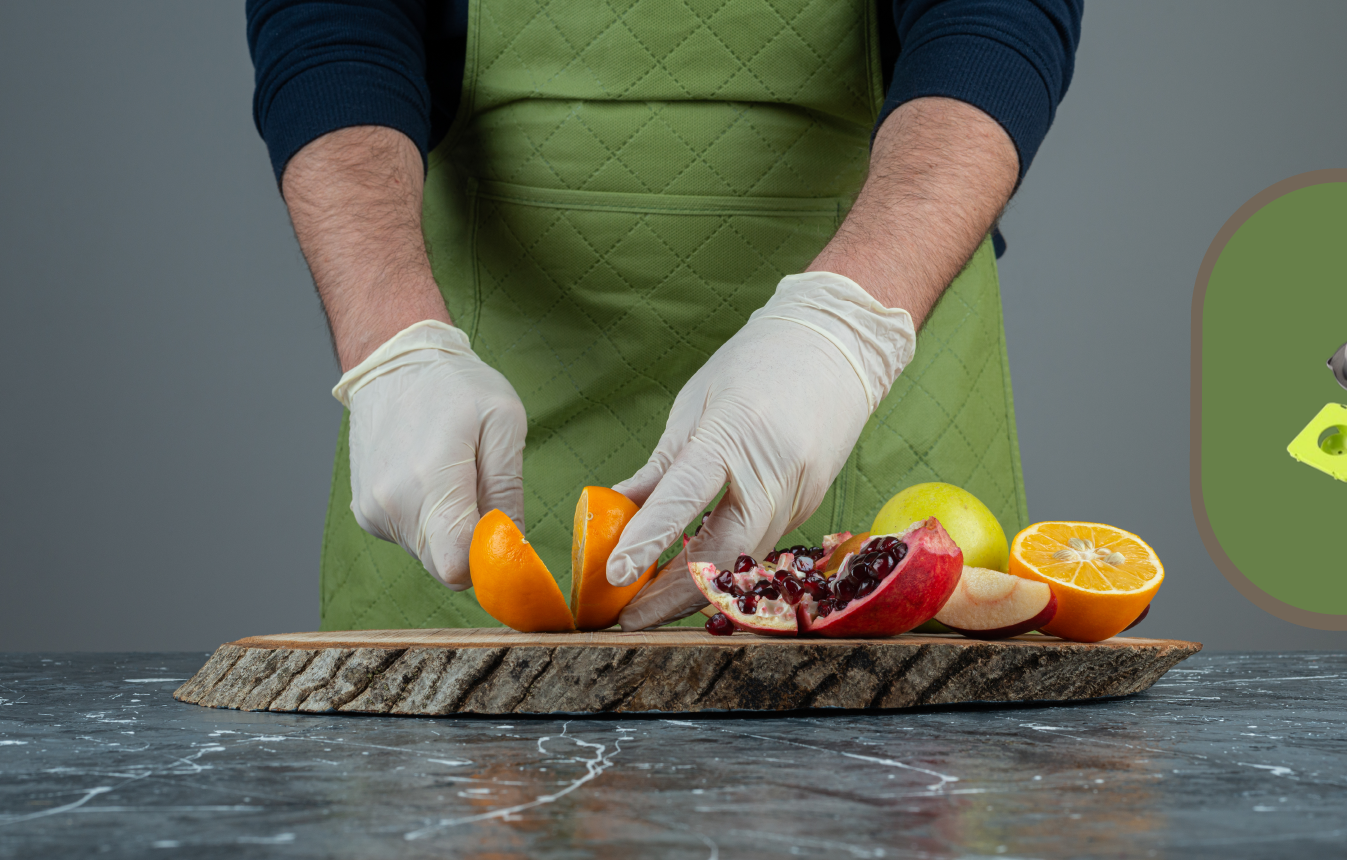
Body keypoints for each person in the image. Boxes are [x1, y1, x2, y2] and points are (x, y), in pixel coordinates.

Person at [246, 0, 1081, 631]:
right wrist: (393, 345)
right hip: (475, 427)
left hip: (867, 404)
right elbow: (332, 25)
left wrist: (848, 324)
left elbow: (997, 15)